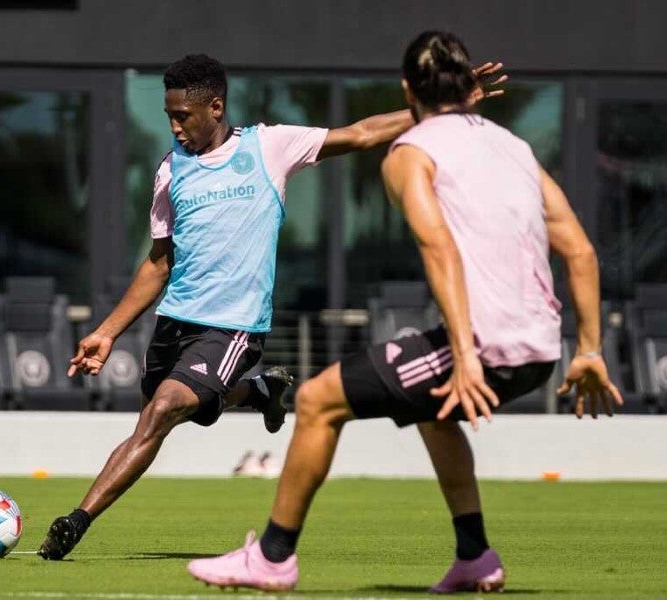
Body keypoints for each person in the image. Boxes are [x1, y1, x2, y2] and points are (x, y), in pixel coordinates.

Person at [187, 31, 624, 593]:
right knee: (432, 412)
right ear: (468, 86)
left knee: (319, 400)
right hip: (543, 347)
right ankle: (474, 557)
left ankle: (272, 560)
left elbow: (439, 247)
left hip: (485, 345)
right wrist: (588, 350)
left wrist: (464, 355)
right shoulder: (514, 147)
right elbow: (580, 250)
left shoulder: (410, 155)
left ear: (406, 89)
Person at [38, 52, 505, 561]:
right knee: (171, 406)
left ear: (215, 107)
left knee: (162, 411)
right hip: (175, 321)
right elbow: (157, 263)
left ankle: (75, 522)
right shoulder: (171, 171)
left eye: (181, 116)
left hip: (234, 327)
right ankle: (260, 391)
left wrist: (447, 109)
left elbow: (364, 132)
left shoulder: (270, 146)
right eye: (168, 116)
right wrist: (107, 331)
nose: (173, 127)